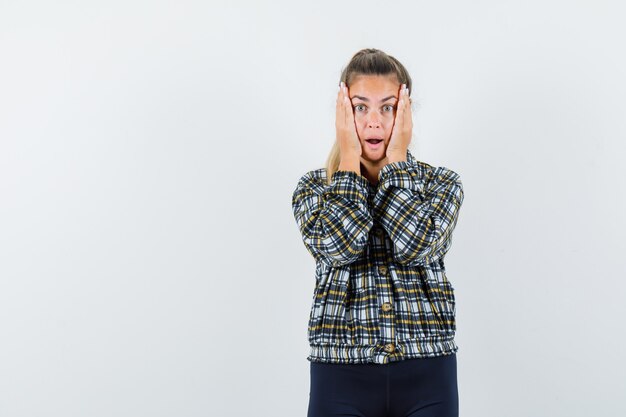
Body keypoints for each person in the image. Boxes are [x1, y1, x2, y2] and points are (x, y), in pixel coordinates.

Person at [291, 48, 464, 417]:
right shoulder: (313, 189)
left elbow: (416, 245)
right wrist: (349, 161)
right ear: (343, 114)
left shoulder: (441, 184)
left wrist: (398, 158)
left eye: (387, 108)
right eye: (360, 107)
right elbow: (340, 247)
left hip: (428, 371)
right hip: (340, 374)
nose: (374, 122)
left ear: (406, 114)